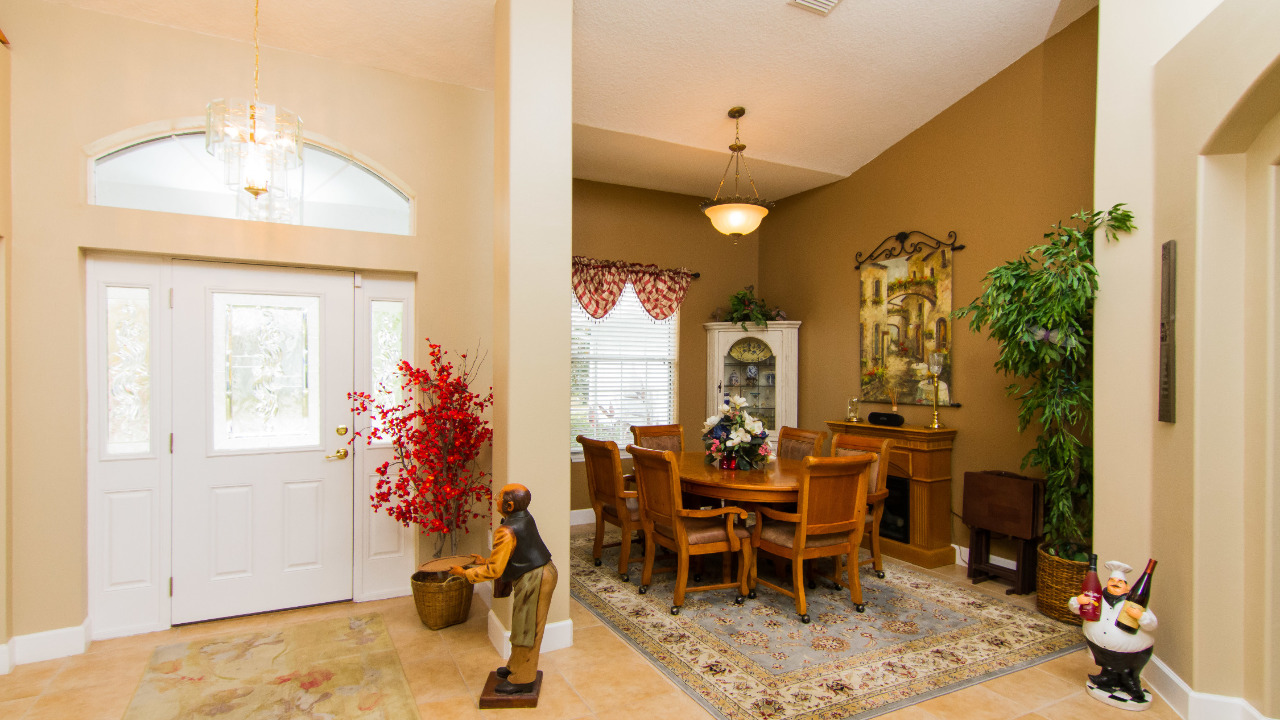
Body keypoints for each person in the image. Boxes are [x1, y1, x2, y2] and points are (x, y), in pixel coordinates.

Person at [450, 483, 557, 696]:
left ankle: (523, 679)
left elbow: (495, 571)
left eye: (498, 497)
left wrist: (465, 574)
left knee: (527, 630)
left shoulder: (507, 530)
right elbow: (512, 554)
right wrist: (486, 560)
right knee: (521, 626)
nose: (495, 499)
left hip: (535, 578)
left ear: (508, 506)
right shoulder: (523, 518)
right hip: (538, 573)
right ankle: (515, 667)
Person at [1068, 560, 1158, 704]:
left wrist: (1140, 616)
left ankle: (1131, 683)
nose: (1115, 583)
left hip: (1132, 653)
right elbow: (1077, 608)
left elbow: (1152, 624)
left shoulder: (1133, 603)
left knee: (1128, 671)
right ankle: (1108, 677)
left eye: (1120, 582)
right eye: (1112, 580)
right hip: (1100, 647)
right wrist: (1078, 601)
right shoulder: (1098, 597)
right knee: (1108, 664)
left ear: (1127, 587)